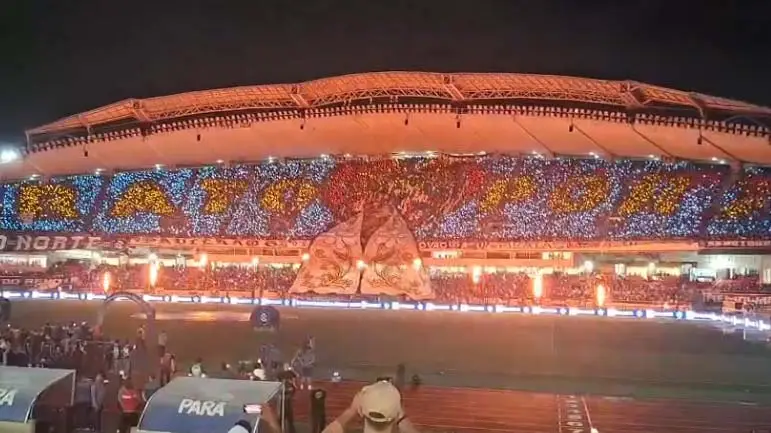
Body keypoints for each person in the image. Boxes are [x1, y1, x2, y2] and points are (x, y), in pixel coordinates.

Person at [321, 380, 421, 433]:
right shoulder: (398, 415)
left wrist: (351, 410)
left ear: (360, 411)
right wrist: (401, 417)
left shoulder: (356, 410)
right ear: (397, 414)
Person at [276, 363, 298, 433]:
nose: (287, 367)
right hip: (282, 397)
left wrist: (292, 384)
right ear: (283, 367)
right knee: (281, 415)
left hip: (289, 397)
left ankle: (291, 430)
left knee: (290, 416)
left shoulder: (291, 373)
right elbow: (277, 383)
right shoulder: (281, 374)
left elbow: (295, 378)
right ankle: (278, 429)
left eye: (288, 366)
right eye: (286, 366)